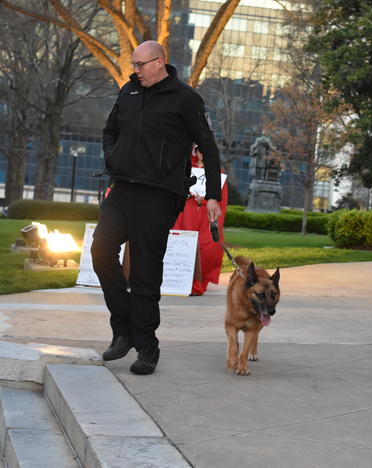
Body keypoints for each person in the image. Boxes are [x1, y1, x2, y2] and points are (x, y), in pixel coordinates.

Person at [92, 41, 222, 375]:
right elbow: (110, 131)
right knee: (100, 252)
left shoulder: (185, 99)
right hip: (122, 188)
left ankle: (147, 348)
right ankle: (123, 330)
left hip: (160, 194)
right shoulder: (129, 92)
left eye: (139, 64)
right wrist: (113, 155)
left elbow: (208, 145)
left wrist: (212, 197)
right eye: (133, 64)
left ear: (159, 62)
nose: (134, 70)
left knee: (144, 272)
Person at [172, 144, 229, 296]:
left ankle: (199, 281)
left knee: (207, 247)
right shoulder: (185, 168)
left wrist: (205, 201)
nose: (203, 153)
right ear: (195, 151)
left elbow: (220, 202)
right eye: (200, 149)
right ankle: (178, 279)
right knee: (181, 243)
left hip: (205, 216)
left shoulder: (218, 174)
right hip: (186, 213)